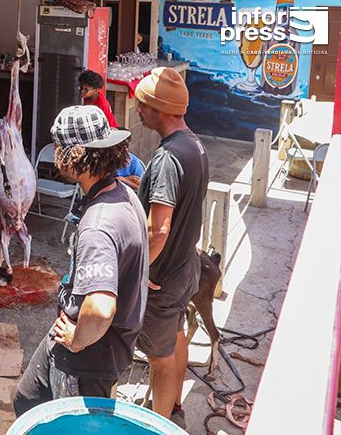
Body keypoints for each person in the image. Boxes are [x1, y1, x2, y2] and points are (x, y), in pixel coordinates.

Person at [13, 105, 149, 416]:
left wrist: (77, 339)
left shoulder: (98, 224)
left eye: (60, 147)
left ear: (73, 157)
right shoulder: (123, 194)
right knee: (27, 400)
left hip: (87, 358)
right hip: (79, 341)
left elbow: (100, 309)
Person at [134, 67, 209, 428]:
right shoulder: (193, 143)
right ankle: (175, 404)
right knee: (176, 334)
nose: (137, 110)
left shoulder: (166, 158)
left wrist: (139, 271)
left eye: (142, 104)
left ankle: (159, 424)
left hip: (162, 277)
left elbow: (159, 229)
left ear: (159, 110)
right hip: (186, 267)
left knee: (158, 356)